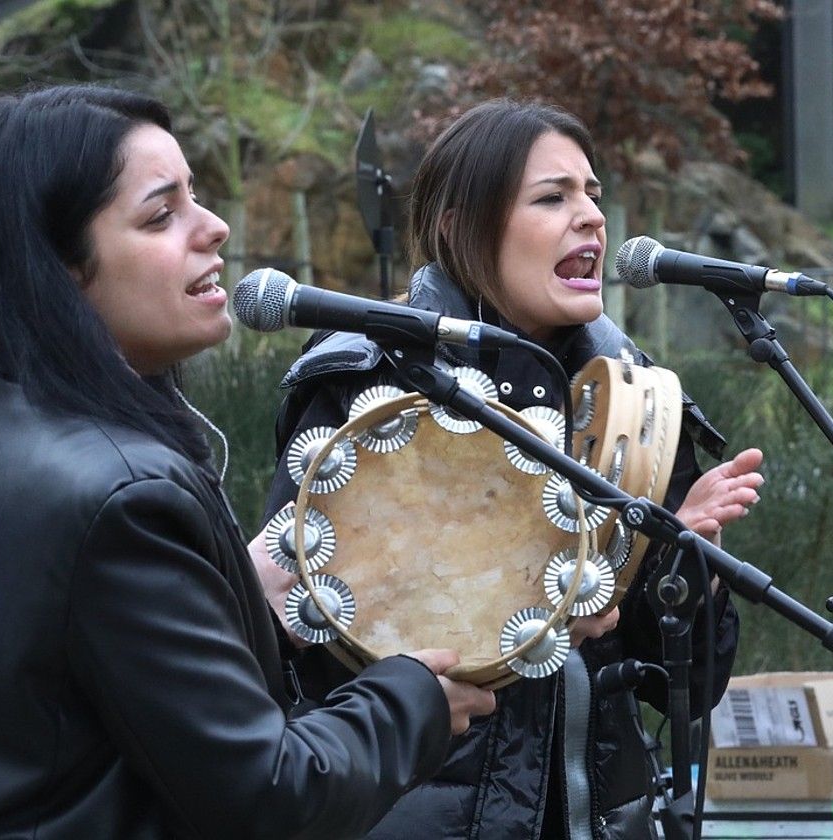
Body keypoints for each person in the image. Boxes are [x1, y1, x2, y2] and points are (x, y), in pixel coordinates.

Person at [0, 84, 494, 839]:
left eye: (196, 197)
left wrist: (243, 604)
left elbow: (70, 698)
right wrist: (415, 701)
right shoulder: (119, 495)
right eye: (160, 214)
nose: (215, 227)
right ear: (59, 266)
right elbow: (269, 798)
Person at [257, 98, 765, 839]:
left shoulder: (633, 400)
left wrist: (686, 566)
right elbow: (296, 634)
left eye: (592, 194)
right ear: (458, 226)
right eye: (552, 197)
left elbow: (688, 689)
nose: (591, 216)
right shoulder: (368, 387)